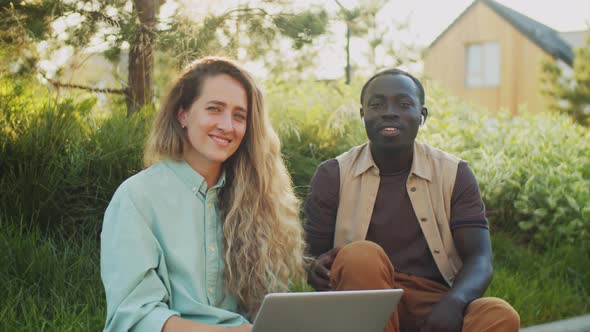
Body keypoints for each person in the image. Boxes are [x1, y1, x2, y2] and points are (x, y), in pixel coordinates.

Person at [304, 68, 520, 332]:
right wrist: (313, 267)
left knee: (498, 314)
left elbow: (479, 258)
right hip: (363, 300)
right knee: (360, 255)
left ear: (422, 115)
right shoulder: (332, 174)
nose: (389, 112)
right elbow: (311, 256)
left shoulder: (454, 173)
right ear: (363, 116)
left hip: (434, 304)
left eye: (404, 104)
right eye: (376, 104)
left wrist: (455, 301)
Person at [100, 57, 305, 332]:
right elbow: (135, 317)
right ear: (182, 114)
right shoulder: (137, 198)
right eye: (214, 109)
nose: (227, 125)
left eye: (239, 116)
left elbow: (261, 309)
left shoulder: (254, 199)